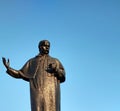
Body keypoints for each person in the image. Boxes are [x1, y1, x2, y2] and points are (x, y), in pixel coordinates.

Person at [2, 40, 66, 111]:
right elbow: (20, 73)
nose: (47, 48)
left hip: (51, 92)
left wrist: (56, 70)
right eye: (45, 46)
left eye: (48, 46)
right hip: (37, 91)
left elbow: (63, 76)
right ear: (40, 47)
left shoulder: (55, 61)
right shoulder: (32, 62)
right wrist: (9, 68)